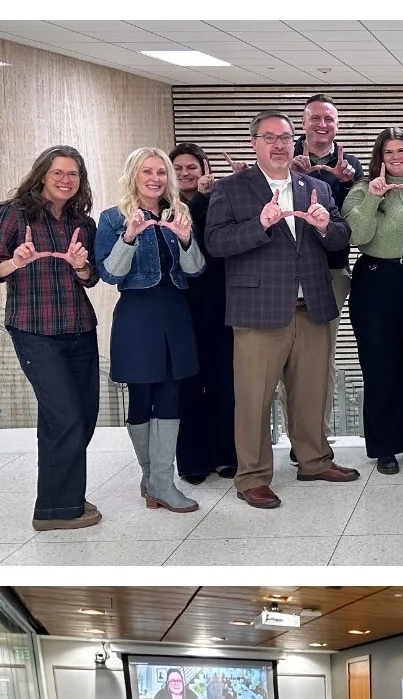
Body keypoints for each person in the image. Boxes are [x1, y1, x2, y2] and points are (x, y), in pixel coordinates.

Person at [204, 110, 358, 511]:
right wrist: (261, 224)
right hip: (258, 312)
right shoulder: (232, 189)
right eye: (269, 137)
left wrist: (326, 226)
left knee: (312, 393)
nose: (278, 145)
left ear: (296, 143)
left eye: (286, 138)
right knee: (254, 398)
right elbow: (216, 244)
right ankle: (252, 477)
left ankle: (313, 461)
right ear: (254, 142)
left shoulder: (315, 187)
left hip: (313, 307)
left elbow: (341, 236)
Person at [0, 145, 102, 530]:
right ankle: (55, 510)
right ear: (42, 174)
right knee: (66, 416)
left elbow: (92, 278)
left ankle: (63, 494)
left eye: (73, 174)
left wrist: (82, 266)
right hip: (34, 329)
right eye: (58, 173)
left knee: (81, 417)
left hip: (79, 327)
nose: (65, 180)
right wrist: (14, 262)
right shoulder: (13, 214)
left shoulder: (81, 223)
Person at [96, 146, 208, 514]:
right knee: (141, 396)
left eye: (161, 172)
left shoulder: (178, 213)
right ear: (134, 176)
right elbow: (110, 274)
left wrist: (186, 238)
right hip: (137, 314)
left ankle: (162, 481)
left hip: (174, 310)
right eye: (148, 172)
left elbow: (194, 269)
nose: (155, 179)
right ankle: (153, 479)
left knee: (172, 392)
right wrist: (128, 237)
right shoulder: (112, 218)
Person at [344, 127, 403, 473]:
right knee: (381, 367)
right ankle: (385, 447)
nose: (396, 158)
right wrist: (373, 199)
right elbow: (358, 237)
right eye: (389, 152)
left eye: (402, 151)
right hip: (376, 282)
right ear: (378, 157)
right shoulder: (360, 192)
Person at [169, 142, 238, 483]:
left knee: (225, 383)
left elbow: (218, 242)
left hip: (221, 302)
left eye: (191, 167)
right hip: (182, 306)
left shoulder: (219, 198)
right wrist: (197, 200)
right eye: (178, 168)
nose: (185, 173)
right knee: (189, 386)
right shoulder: (164, 206)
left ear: (204, 169)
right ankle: (194, 460)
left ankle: (226, 455)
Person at [292, 92, 362, 428]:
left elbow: (352, 220)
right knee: (283, 360)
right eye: (315, 118)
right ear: (303, 123)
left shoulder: (351, 166)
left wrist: (345, 183)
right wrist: (293, 174)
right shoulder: (284, 156)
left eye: (329, 119)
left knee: (322, 358)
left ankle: (315, 436)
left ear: (337, 125)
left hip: (330, 271)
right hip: (285, 271)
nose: (322, 125)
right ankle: (294, 434)